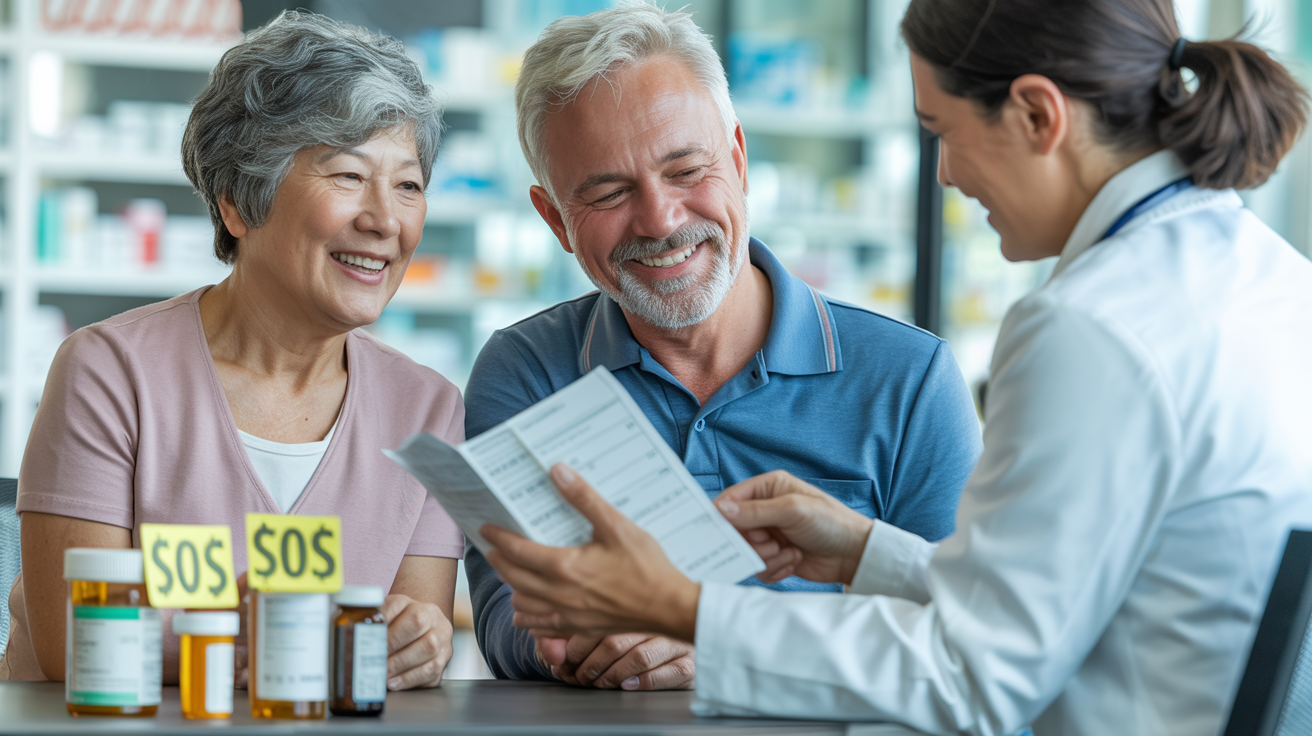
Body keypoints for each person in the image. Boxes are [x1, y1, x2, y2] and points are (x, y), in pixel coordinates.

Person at [480, 0, 1312, 732]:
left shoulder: (1088, 325)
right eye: (609, 192)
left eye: (942, 131)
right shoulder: (1266, 272)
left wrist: (687, 611)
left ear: (1037, 115)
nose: (944, 173)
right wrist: (866, 551)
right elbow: (1031, 608)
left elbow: (974, 677)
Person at [463, 3, 983, 691]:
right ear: (556, 219)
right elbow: (503, 615)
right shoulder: (525, 372)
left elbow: (966, 641)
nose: (660, 220)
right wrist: (582, 635)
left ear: (737, 159)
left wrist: (713, 633)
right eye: (610, 192)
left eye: (685, 170)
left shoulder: (911, 380)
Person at [0, 11, 464, 690]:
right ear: (238, 204)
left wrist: (418, 643)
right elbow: (74, 641)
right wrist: (283, 636)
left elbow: (407, 629)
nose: (385, 220)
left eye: (408, 185)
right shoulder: (110, 372)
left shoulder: (427, 410)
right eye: (347, 175)